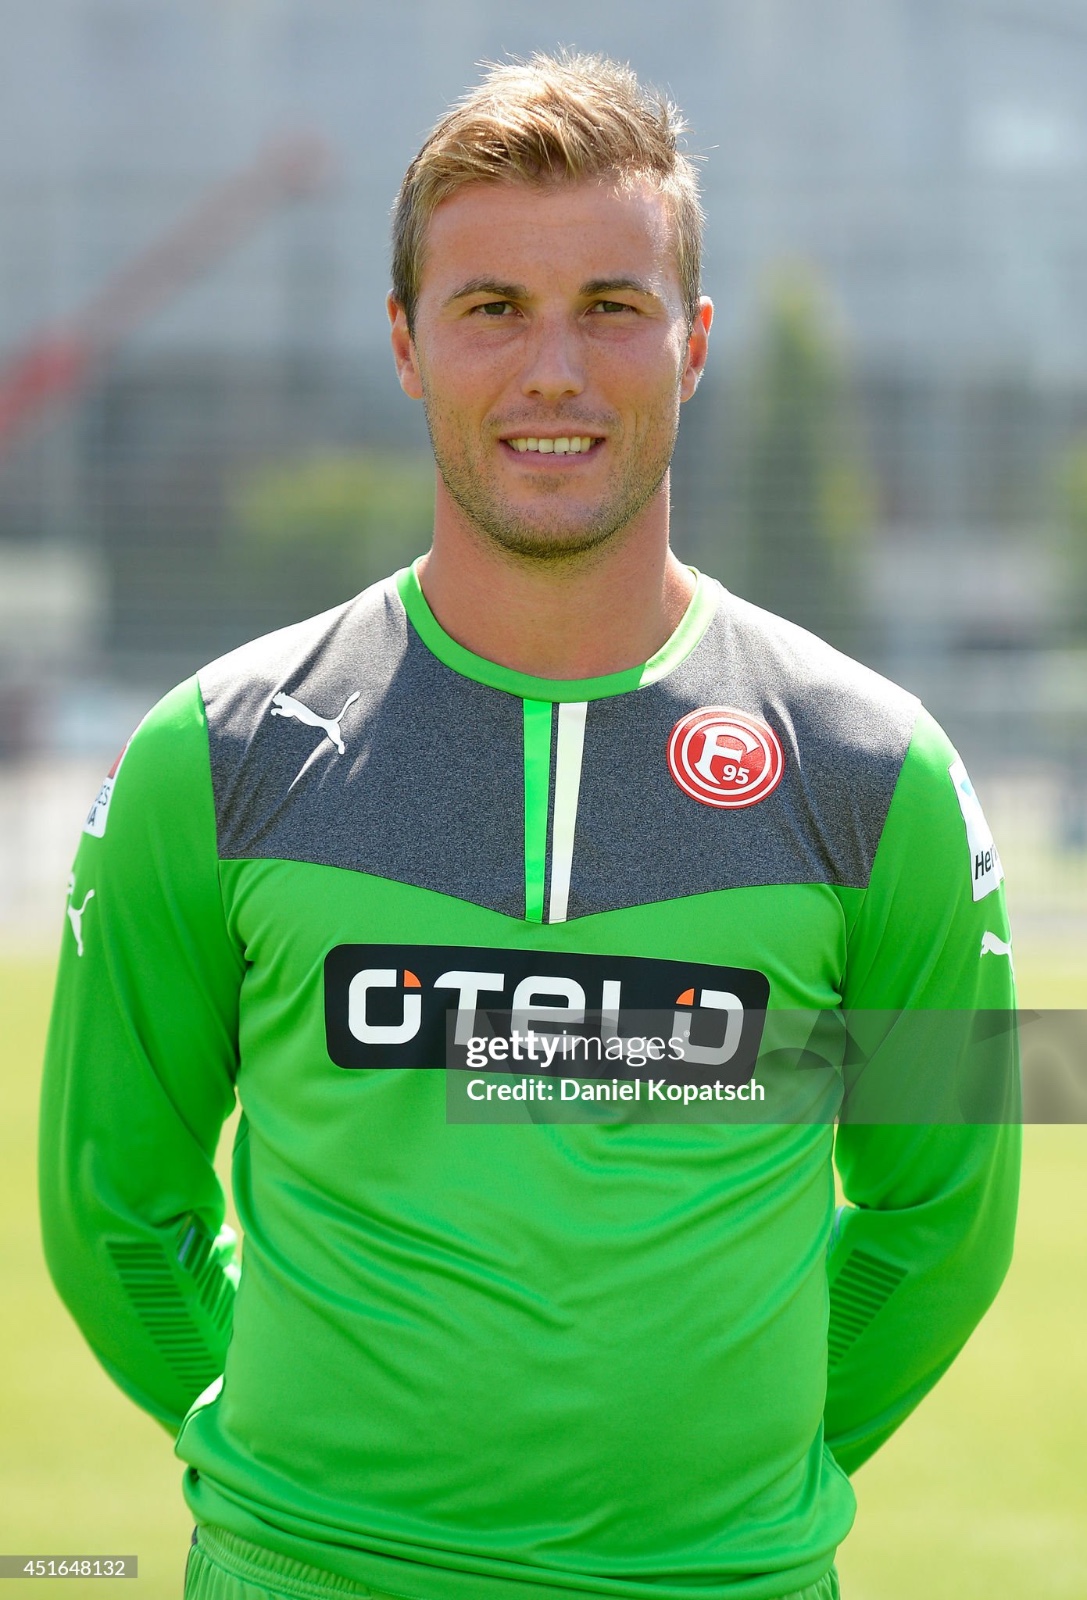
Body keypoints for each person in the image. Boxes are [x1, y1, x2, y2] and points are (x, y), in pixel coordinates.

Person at [40, 51, 1020, 1600]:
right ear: (405, 343)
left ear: (695, 345)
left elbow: (947, 1218)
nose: (553, 370)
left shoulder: (876, 766)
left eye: (612, 307)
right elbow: (109, 1206)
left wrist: (722, 1483)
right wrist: (309, 1478)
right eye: (492, 306)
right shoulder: (211, 754)